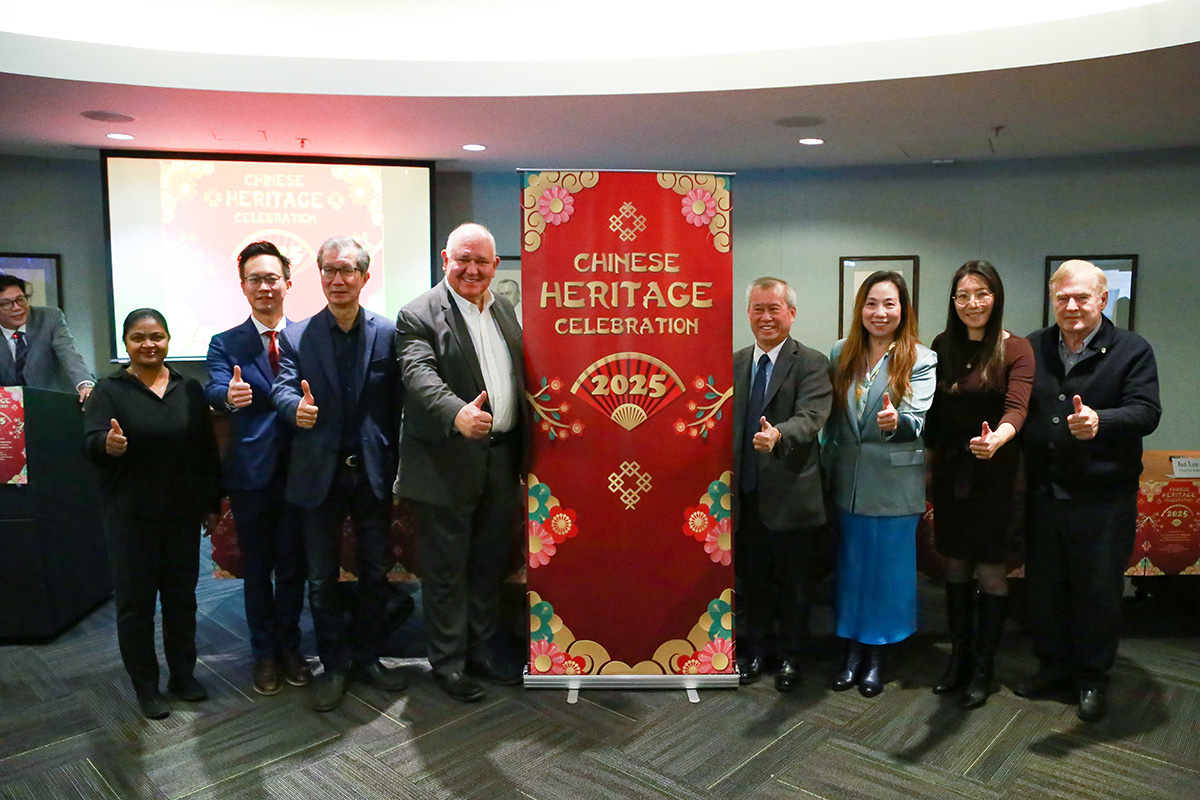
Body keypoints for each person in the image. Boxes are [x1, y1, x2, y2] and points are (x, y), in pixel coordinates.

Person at [1014, 259, 1160, 722]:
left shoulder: (1132, 349)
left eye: (1082, 297)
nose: (1072, 306)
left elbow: (1147, 411)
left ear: (1102, 299)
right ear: (1052, 301)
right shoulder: (1034, 346)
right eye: (1063, 298)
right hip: (1044, 494)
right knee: (1045, 588)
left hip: (1103, 499)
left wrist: (1102, 421)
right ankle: (1053, 667)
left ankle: (1092, 677)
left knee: (1097, 592)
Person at [270, 235, 405, 712]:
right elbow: (282, 389)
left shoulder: (388, 333)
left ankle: (368, 658)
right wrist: (295, 408)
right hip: (317, 473)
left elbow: (398, 403)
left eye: (347, 270)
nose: (337, 279)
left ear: (365, 277)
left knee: (375, 571)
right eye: (328, 270)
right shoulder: (297, 335)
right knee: (321, 578)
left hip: (371, 471)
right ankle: (335, 666)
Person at [396, 222, 524, 703]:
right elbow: (419, 376)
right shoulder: (417, 314)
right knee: (447, 570)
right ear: (445, 261)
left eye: (481, 261)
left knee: (489, 563)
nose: (472, 269)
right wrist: (456, 413)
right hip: (446, 461)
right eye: (463, 260)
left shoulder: (504, 308)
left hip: (501, 459)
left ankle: (482, 651)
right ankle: (448, 664)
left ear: (495, 265)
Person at [83, 308, 220, 720]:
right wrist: (107, 445)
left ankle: (183, 676)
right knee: (136, 606)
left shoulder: (188, 388)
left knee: (182, 601)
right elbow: (90, 442)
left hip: (181, 515)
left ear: (168, 340)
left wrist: (211, 504)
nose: (148, 344)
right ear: (126, 343)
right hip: (130, 517)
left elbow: (205, 451)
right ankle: (146, 687)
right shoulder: (109, 390)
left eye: (156, 336)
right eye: (138, 338)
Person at [924, 261, 1033, 709]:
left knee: (989, 570)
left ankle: (984, 669)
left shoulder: (1016, 349)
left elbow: (1017, 408)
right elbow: (932, 414)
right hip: (952, 474)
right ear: (954, 301)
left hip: (996, 476)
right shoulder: (941, 346)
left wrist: (998, 439)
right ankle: (959, 660)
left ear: (996, 297)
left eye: (982, 294)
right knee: (954, 567)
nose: (973, 303)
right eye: (964, 295)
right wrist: (925, 466)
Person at [205, 241, 311, 696]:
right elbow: (214, 387)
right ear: (243, 286)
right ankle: (263, 653)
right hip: (251, 474)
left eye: (272, 278)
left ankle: (291, 647)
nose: (264, 287)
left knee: (293, 567)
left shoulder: (309, 335)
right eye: (255, 279)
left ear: (287, 283)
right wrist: (228, 397)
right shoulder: (225, 342)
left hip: (303, 470)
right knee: (257, 568)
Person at [823, 271, 936, 697]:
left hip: (893, 484)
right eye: (872, 303)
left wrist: (895, 422)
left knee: (887, 575)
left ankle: (876, 655)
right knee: (852, 570)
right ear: (861, 309)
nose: (880, 312)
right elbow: (831, 418)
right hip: (848, 481)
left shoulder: (921, 358)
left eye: (890, 303)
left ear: (903, 309)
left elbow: (916, 419)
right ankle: (851, 649)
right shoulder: (841, 352)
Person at [732, 277, 832, 692]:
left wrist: (779, 434)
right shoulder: (734, 362)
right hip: (746, 496)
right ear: (748, 313)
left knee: (794, 586)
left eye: (774, 308)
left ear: (791, 313)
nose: (766, 317)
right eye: (758, 309)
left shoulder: (811, 362)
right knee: (753, 581)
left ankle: (791, 656)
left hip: (792, 496)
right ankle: (756, 650)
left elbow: (812, 417)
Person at [0, 274, 94, 402]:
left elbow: (68, 353)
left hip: (55, 400)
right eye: (6, 304)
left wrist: (85, 384)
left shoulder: (49, 317)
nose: (17, 307)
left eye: (20, 299)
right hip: (8, 406)